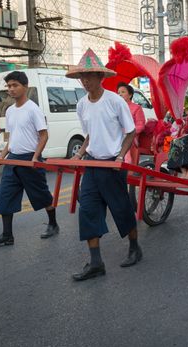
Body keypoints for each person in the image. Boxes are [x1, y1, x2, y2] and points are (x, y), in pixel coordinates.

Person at [66, 49, 141, 281]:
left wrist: (120, 156)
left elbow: (130, 132)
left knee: (120, 208)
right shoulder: (81, 105)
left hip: (112, 164)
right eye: (82, 77)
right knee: (87, 209)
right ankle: (96, 262)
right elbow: (89, 135)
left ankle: (134, 246)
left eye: (90, 76)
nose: (85, 81)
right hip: (92, 164)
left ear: (101, 77)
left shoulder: (115, 101)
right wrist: (79, 153)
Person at [0, 71, 59, 246]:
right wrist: (1, 157)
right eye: (9, 86)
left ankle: (53, 224)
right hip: (13, 160)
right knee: (5, 197)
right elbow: (11, 138)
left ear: (25, 87)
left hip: (29, 159)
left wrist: (34, 157)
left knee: (41, 196)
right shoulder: (10, 111)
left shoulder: (33, 109)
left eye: (15, 85)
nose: (11, 89)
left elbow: (44, 135)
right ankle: (7, 235)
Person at [117, 82, 146, 165]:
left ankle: (127, 164)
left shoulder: (137, 108)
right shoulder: (115, 108)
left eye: (123, 92)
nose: (120, 94)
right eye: (118, 93)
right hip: (117, 135)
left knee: (124, 140)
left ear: (130, 95)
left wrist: (128, 132)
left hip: (131, 136)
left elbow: (140, 126)